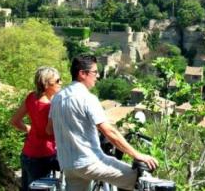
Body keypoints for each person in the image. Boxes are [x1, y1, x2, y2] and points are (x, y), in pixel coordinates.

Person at [47, 55, 158, 191]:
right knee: (138, 179)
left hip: (68, 165)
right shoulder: (87, 98)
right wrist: (137, 155)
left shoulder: (57, 98)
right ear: (82, 73)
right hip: (89, 162)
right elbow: (109, 131)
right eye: (94, 72)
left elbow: (49, 130)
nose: (98, 75)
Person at [11, 66, 61, 191]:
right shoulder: (51, 106)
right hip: (44, 156)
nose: (61, 83)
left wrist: (31, 129)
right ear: (46, 84)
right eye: (58, 81)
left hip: (27, 154)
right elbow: (53, 131)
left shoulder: (31, 97)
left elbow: (15, 121)